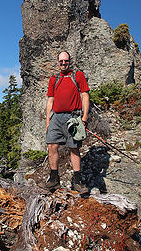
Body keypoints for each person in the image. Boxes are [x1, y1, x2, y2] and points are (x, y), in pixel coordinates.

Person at [45, 51, 90, 193]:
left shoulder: (78, 76)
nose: (63, 63)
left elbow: (85, 95)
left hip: (73, 117)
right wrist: (48, 120)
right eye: (61, 61)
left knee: (74, 148)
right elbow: (50, 99)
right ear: (57, 62)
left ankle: (78, 181)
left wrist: (84, 118)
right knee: (52, 146)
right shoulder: (54, 78)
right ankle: (54, 179)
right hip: (56, 117)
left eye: (66, 61)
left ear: (70, 61)